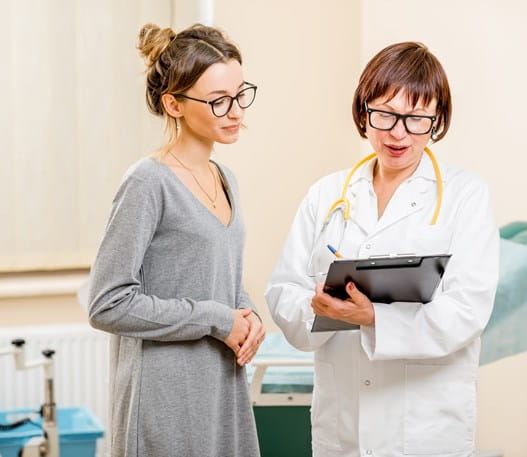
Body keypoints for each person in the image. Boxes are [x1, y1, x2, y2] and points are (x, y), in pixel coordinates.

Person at [265, 42, 499, 457]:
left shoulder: (466, 195)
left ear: (437, 120)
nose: (398, 133)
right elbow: (284, 290)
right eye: (385, 114)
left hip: (426, 432)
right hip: (342, 429)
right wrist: (323, 309)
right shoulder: (326, 194)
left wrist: (373, 317)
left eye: (416, 119)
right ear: (363, 111)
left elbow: (467, 310)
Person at [88, 23, 264, 457]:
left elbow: (216, 277)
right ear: (174, 104)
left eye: (241, 94)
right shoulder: (147, 182)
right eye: (219, 101)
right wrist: (216, 319)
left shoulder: (226, 179)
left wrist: (248, 315)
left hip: (222, 387)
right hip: (165, 399)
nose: (236, 110)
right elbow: (107, 302)